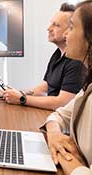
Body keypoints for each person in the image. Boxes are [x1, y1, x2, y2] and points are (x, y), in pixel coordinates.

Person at [2, 3, 86, 110]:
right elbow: (45, 86)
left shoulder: (77, 62)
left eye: (56, 25)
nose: (48, 28)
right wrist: (19, 94)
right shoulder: (57, 54)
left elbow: (63, 103)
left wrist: (22, 99)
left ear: (70, 30)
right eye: (51, 23)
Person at [41, 1, 92, 174]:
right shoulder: (88, 88)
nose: (66, 35)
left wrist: (61, 152)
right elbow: (60, 114)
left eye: (71, 27)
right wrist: (55, 134)